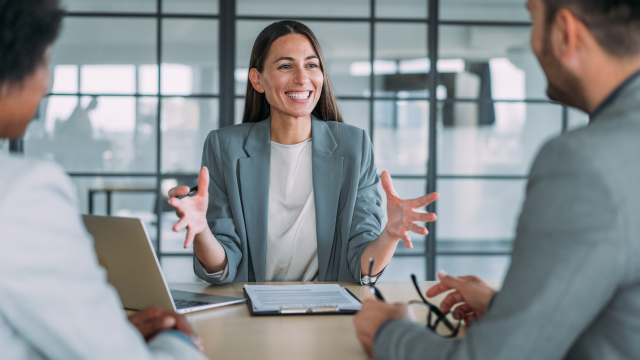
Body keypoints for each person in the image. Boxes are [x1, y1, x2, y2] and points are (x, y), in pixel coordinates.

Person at [353, 0, 640, 359]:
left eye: (533, 21)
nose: (532, 44)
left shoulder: (584, 162)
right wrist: (509, 308)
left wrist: (388, 332)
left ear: (566, 32)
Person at [0, 1, 207, 358]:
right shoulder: (22, 192)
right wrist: (178, 342)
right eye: (46, 63)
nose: (46, 85)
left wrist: (108, 331)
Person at [168, 20, 439, 284]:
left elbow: (362, 268)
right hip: (249, 309)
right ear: (257, 79)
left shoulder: (354, 145)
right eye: (286, 66)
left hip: (328, 311)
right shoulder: (224, 146)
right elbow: (222, 268)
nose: (302, 78)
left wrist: (389, 235)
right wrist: (202, 230)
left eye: (311, 65)